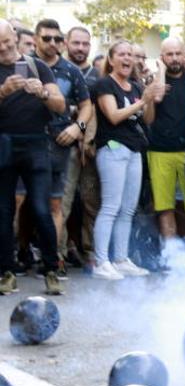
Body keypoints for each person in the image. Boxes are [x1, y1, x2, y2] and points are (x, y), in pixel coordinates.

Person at [0, 19, 66, 294]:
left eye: (5, 41)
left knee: (41, 208)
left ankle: (51, 268)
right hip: (3, 145)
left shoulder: (36, 65)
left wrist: (42, 93)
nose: (2, 48)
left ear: (14, 36)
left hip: (36, 145)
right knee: (3, 212)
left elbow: (60, 105)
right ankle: (6, 271)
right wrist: (4, 91)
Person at [92, 40, 161, 280]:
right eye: (122, 54)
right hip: (112, 148)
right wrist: (142, 101)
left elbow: (148, 119)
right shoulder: (104, 84)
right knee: (111, 206)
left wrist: (148, 99)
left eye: (130, 55)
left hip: (134, 150)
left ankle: (121, 259)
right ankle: (101, 261)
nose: (127, 59)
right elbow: (113, 116)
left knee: (128, 209)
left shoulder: (133, 86)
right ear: (111, 59)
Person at [32, 19, 93, 278]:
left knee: (59, 205)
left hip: (61, 144)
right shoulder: (23, 65)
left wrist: (77, 128)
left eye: (57, 39)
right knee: (22, 203)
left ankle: (53, 261)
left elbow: (87, 106)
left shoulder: (71, 71)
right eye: (47, 39)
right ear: (36, 38)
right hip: (26, 143)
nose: (53, 44)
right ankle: (18, 255)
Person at [144, 37, 185, 240]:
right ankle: (171, 254)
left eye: (179, 53)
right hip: (160, 150)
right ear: (162, 57)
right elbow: (153, 107)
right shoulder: (154, 81)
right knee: (164, 206)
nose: (175, 58)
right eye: (169, 54)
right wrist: (160, 72)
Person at [62, 26, 101, 271]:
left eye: (85, 44)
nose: (80, 48)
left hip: (92, 149)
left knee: (91, 203)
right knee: (62, 203)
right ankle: (59, 253)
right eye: (76, 43)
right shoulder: (58, 71)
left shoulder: (98, 75)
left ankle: (90, 252)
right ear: (67, 43)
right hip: (63, 145)